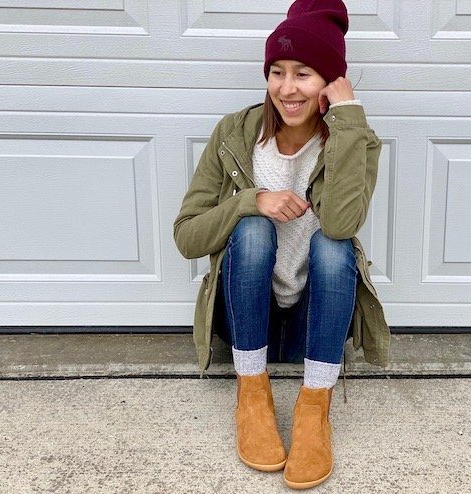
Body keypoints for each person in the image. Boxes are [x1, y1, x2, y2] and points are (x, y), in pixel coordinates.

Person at [173, 0, 389, 489]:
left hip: (314, 330)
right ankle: (252, 393)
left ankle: (315, 408)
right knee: (250, 228)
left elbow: (339, 222)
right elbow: (187, 235)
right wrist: (252, 200)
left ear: (330, 83)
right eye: (277, 72)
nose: (287, 89)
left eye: (305, 74)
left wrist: (350, 119)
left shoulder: (354, 141)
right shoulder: (234, 133)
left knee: (335, 247)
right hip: (251, 323)